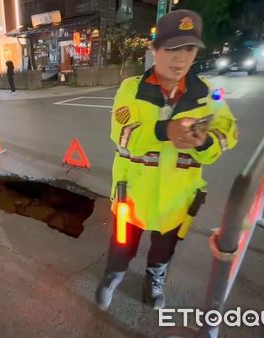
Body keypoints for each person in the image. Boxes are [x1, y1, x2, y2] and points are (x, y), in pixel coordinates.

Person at [95, 9, 238, 311]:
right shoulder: (131, 89)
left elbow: (228, 130)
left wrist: (206, 141)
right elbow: (121, 133)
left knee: (165, 247)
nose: (181, 58)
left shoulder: (209, 93)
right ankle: (114, 274)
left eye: (189, 49)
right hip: (131, 192)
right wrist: (165, 130)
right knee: (121, 244)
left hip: (177, 197)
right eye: (172, 49)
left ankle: (154, 278)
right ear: (155, 50)